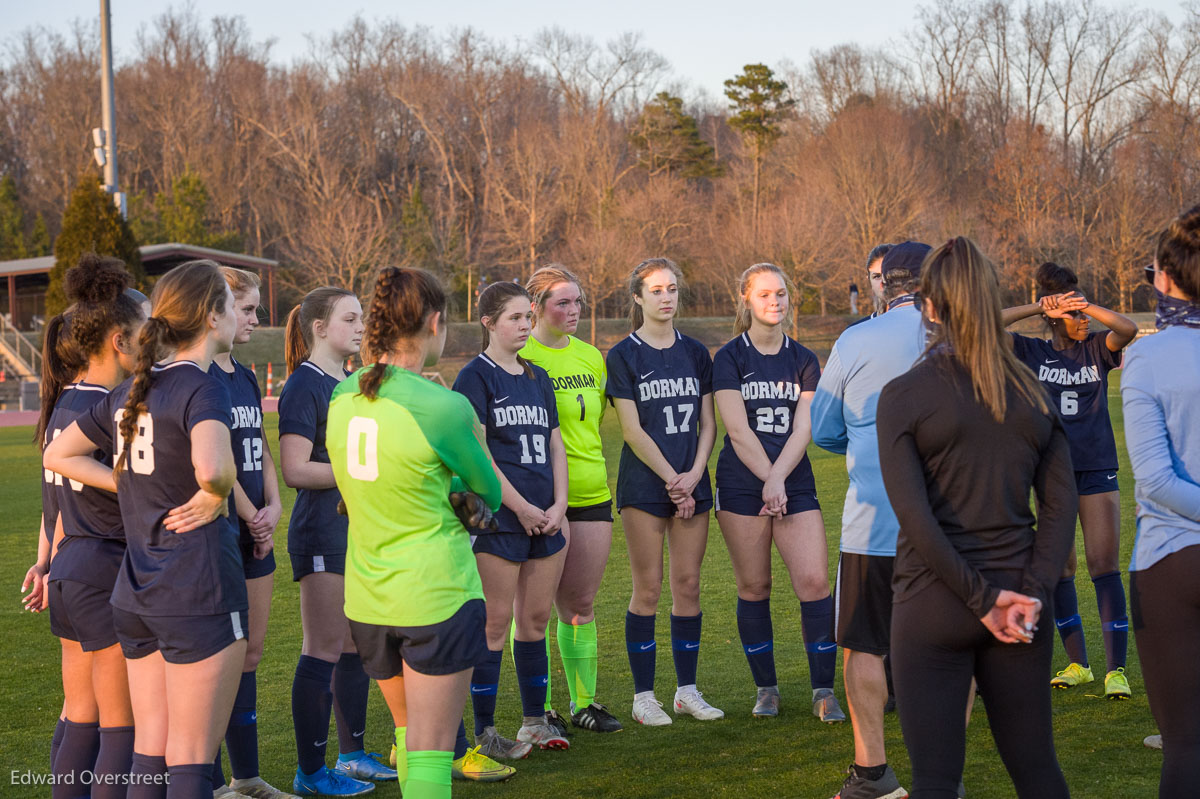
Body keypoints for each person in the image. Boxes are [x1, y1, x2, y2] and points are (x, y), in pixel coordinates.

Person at [44, 259, 251, 799]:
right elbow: (213, 468)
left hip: (135, 593)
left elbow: (58, 451)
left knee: (149, 749)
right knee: (188, 758)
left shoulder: (135, 388)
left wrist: (129, 483)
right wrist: (214, 491)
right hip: (196, 588)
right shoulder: (203, 388)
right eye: (231, 305)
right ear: (211, 317)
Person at [877, 237, 1076, 798]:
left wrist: (987, 598)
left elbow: (914, 519)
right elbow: (1062, 507)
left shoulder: (903, 394)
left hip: (934, 603)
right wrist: (1029, 593)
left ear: (931, 308)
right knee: (1038, 772)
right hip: (1018, 600)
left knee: (936, 782)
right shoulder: (1032, 390)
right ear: (991, 302)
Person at [326, 266, 503, 799]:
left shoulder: (343, 395)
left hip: (367, 595)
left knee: (408, 737)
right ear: (434, 322)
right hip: (433, 594)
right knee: (430, 750)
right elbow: (488, 495)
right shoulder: (444, 406)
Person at [811, 241, 931, 799]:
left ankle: (872, 774)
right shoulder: (961, 338)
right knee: (950, 644)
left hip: (875, 520)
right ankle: (939, 774)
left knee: (862, 643)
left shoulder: (857, 338)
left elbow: (824, 429)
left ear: (885, 284)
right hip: (951, 523)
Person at [712, 263, 843, 724]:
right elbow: (736, 428)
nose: (775, 302)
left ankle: (823, 690)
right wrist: (767, 479)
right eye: (765, 295)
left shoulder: (805, 358)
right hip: (741, 482)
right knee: (755, 586)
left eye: (782, 294)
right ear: (745, 300)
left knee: (813, 582)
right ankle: (766, 689)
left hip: (793, 481)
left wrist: (779, 479)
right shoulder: (729, 357)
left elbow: (804, 424)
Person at [35, 256, 144, 798]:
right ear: (120, 340)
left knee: (80, 715)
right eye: (147, 330)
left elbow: (51, 504)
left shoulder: (62, 405)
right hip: (105, 568)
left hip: (70, 568)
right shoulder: (112, 408)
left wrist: (43, 561)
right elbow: (127, 483)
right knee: (120, 724)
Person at [1002, 262, 1138, 698]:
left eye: (1082, 313)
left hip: (1097, 467)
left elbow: (1128, 328)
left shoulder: (1098, 347)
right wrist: (1039, 305)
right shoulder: (1029, 352)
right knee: (1062, 568)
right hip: (1051, 473)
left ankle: (1116, 670)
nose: (1081, 321)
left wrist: (1086, 306)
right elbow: (982, 326)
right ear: (1052, 317)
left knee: (1104, 564)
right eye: (1073, 314)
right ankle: (1078, 663)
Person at [279, 287, 392, 795]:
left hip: (356, 531)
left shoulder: (350, 382)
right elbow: (295, 469)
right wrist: (360, 473)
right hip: (321, 532)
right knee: (321, 647)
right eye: (350, 318)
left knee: (353, 645)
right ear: (319, 327)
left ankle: (351, 757)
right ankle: (309, 773)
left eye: (362, 317)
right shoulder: (305, 384)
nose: (361, 326)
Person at [453, 282, 570, 754]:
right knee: (494, 623)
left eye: (528, 317)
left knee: (536, 620)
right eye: (514, 318)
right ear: (488, 322)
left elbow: (556, 443)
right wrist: (519, 507)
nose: (525, 326)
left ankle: (533, 721)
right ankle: (484, 732)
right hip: (502, 519)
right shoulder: (473, 377)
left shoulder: (538, 376)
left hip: (547, 515)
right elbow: (479, 454)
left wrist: (559, 505)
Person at [606, 257, 722, 726]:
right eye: (655, 290)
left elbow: (709, 423)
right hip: (645, 483)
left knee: (688, 585)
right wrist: (673, 479)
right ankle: (643, 696)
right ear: (637, 298)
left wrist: (694, 473)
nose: (666, 297)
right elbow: (631, 429)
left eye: (671, 288)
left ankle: (687, 691)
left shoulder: (696, 352)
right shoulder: (623, 354)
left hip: (693, 480)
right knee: (648, 588)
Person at [521, 265, 622, 733]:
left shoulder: (590, 357)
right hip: (540, 501)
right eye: (563, 302)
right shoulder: (520, 355)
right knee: (536, 612)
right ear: (537, 307)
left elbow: (593, 423)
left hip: (592, 493)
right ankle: (538, 710)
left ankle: (586, 703)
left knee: (581, 604)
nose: (573, 311)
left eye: (578, 302)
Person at [1122, 205, 1200, 799]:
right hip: (1173, 558)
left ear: (1165, 278)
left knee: (1185, 746)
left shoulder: (1147, 354)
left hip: (1171, 559)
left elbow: (1153, 480)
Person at [208, 267, 291, 799]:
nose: (257, 320)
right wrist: (247, 510)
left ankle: (248, 778)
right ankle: (207, 780)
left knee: (252, 653)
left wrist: (275, 504)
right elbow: (212, 464)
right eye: (249, 309)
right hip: (223, 530)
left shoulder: (241, 375)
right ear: (215, 309)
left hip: (258, 525)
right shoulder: (195, 375)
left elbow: (257, 445)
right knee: (217, 657)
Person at [847, 244, 894, 328]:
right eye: (877, 276)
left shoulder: (923, 325)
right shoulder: (856, 332)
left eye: (889, 274)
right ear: (869, 280)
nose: (884, 281)